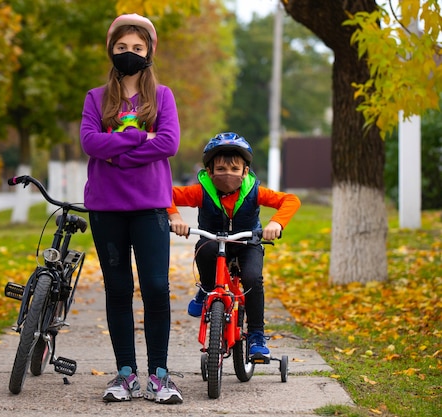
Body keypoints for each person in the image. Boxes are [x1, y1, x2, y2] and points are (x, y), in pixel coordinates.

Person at [80, 13, 182, 404]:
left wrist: (117, 152)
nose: (129, 53)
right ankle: (125, 374)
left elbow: (169, 143)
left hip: (150, 206)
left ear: (149, 52)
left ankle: (160, 375)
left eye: (137, 48)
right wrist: (141, 137)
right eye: (122, 48)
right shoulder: (96, 98)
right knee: (119, 289)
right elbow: (91, 143)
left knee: (156, 287)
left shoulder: (162, 97)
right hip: (106, 207)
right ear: (111, 51)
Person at [169, 132, 301, 357]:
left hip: (247, 242)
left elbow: (290, 200)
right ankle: (206, 289)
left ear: (245, 172)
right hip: (212, 240)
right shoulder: (201, 191)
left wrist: (276, 223)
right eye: (220, 170)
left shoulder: (254, 191)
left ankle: (256, 335)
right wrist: (175, 218)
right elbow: (166, 195)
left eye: (234, 169)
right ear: (209, 172)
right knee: (204, 250)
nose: (227, 174)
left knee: (252, 278)